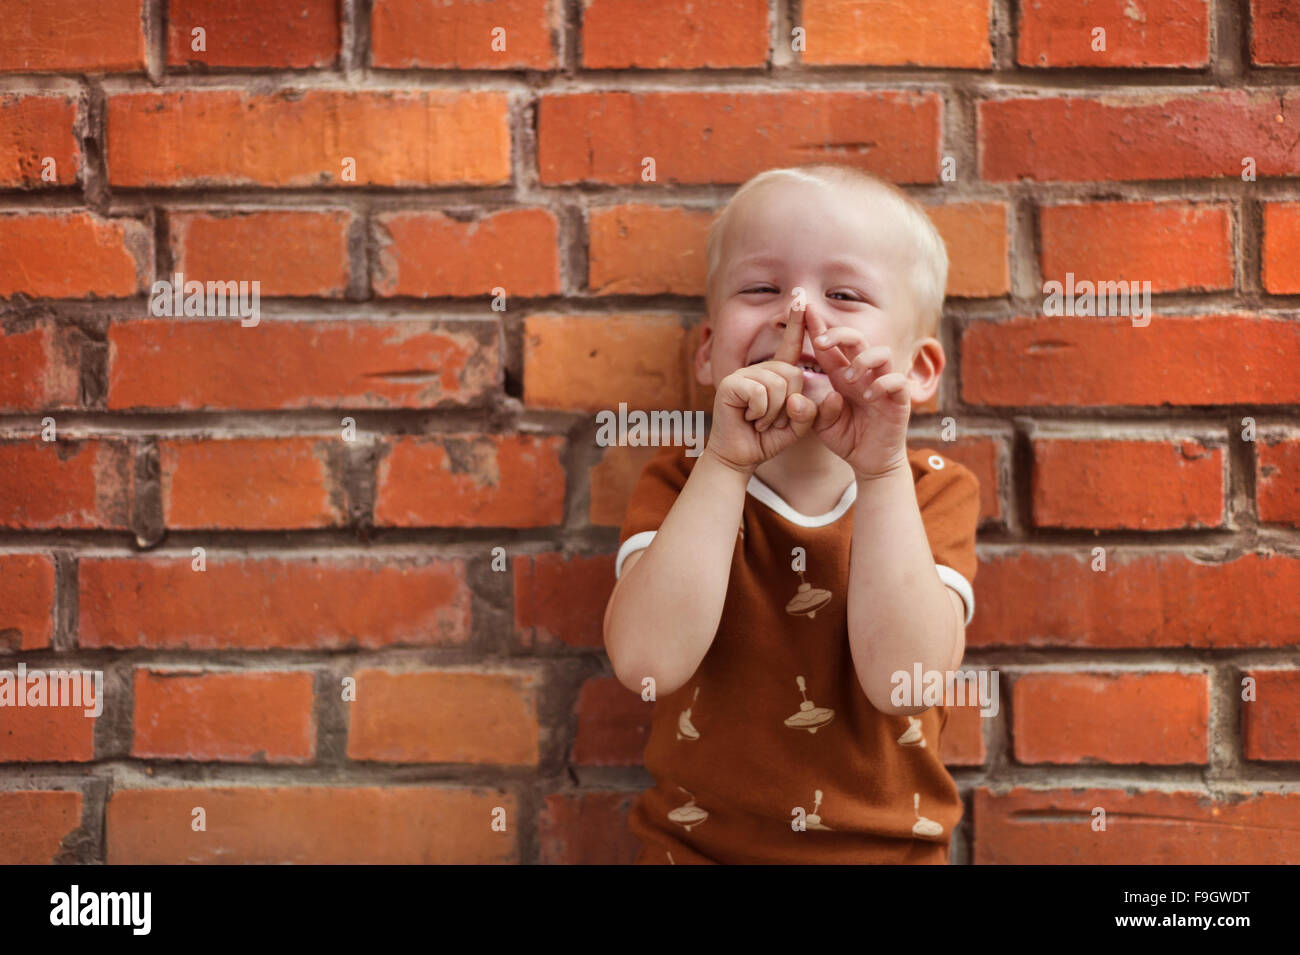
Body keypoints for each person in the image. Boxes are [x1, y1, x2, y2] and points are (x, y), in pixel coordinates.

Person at [602, 163, 980, 864]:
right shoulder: (679, 483)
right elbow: (647, 663)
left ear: (920, 368)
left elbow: (905, 682)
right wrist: (724, 464)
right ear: (709, 353)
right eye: (761, 288)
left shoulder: (933, 491)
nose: (798, 312)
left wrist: (882, 469)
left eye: (843, 293)